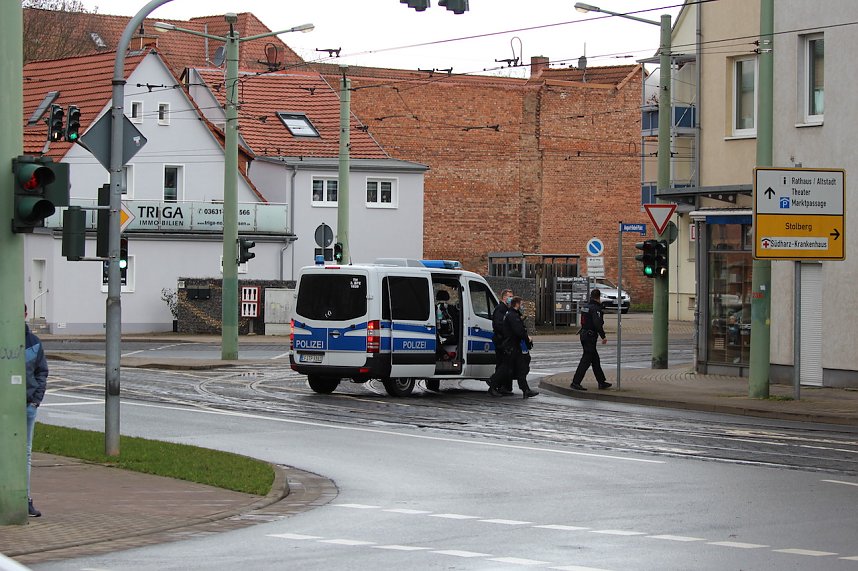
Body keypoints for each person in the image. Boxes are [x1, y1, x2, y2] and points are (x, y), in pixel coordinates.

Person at [25, 304, 48, 517]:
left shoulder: (33, 343)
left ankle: (25, 498)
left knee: (26, 453)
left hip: (27, 405)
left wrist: (35, 401)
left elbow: (42, 371)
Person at [497, 296, 538, 399]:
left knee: (521, 368)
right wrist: (527, 338)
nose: (522, 305)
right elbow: (519, 331)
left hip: (514, 346)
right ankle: (493, 384)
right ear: (517, 304)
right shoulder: (512, 315)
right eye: (521, 303)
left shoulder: (512, 314)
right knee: (505, 369)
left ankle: (526, 390)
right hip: (511, 346)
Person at [570, 289, 612, 391]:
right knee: (586, 360)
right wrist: (603, 336)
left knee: (595, 360)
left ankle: (601, 382)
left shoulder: (586, 307)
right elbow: (597, 324)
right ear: (599, 297)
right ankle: (575, 382)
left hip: (584, 334)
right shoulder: (595, 309)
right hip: (590, 336)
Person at [487, 289, 515, 396]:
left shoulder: (506, 309)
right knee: (502, 365)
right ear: (504, 297)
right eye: (510, 296)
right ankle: (494, 385)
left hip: (504, 340)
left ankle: (504, 386)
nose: (511, 298)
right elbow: (499, 325)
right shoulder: (500, 309)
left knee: (505, 364)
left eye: (512, 296)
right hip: (501, 341)